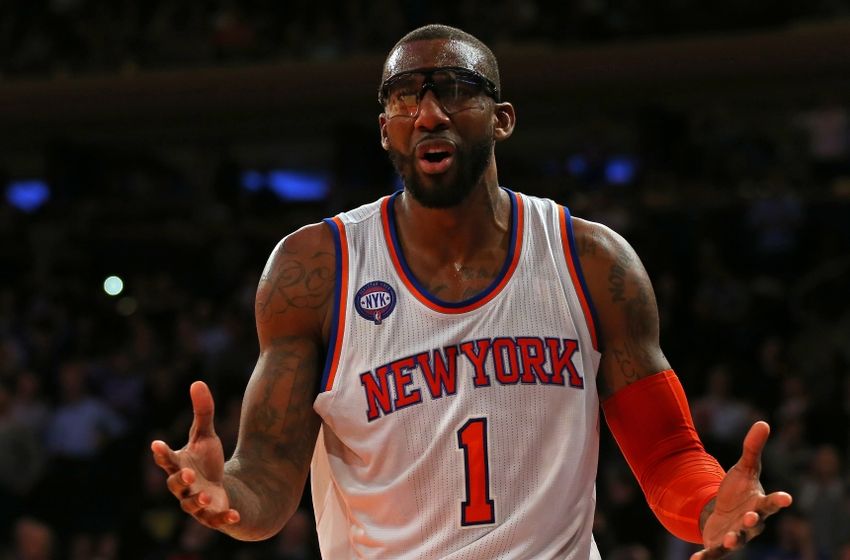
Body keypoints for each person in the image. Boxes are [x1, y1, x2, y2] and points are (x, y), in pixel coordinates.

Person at [151, 24, 792, 559]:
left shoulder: (591, 261)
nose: (429, 113)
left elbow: (668, 455)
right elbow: (266, 478)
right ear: (385, 128)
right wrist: (227, 497)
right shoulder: (314, 271)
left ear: (502, 119)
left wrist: (709, 507)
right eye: (405, 98)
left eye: (455, 90)